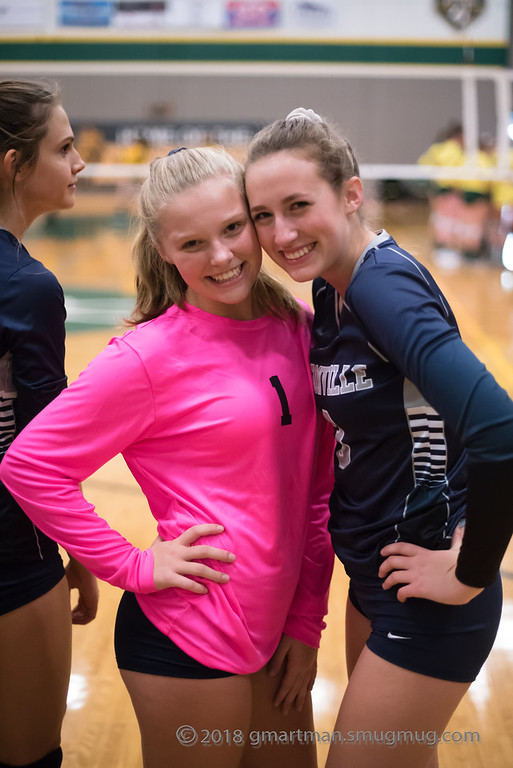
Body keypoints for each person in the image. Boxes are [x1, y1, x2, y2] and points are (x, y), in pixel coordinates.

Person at [0, 145, 334, 768]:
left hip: (280, 629)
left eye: (234, 228)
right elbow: (30, 466)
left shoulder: (298, 325)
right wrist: (130, 565)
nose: (222, 255)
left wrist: (307, 621)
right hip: (189, 634)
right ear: (164, 253)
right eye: (192, 243)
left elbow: (316, 492)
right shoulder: (147, 358)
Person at [244, 107, 513, 768]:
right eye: (261, 216)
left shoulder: (381, 287)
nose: (280, 233)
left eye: (299, 205)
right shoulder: (333, 292)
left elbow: (499, 428)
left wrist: (470, 571)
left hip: (430, 599)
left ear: (352, 193)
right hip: (376, 579)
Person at [0, 79, 99, 768]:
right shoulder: (28, 288)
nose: (80, 163)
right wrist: (81, 553)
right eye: (64, 148)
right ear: (13, 164)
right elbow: (42, 453)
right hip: (12, 556)